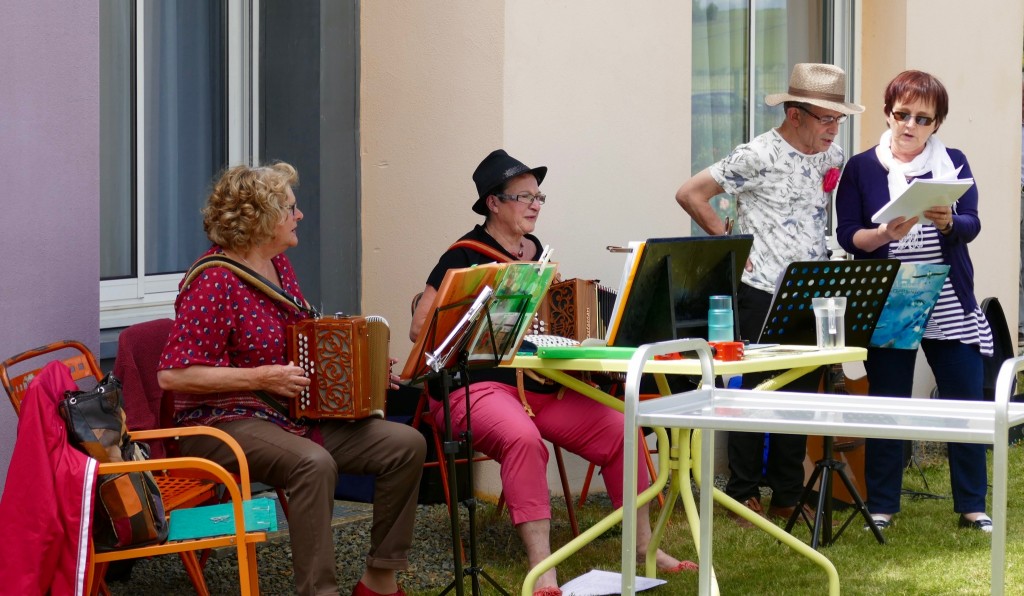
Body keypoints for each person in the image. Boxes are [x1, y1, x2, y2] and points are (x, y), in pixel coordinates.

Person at [409, 150, 694, 596]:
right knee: (522, 437)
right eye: (523, 196)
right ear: (493, 203)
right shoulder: (463, 254)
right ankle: (543, 567)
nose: (535, 204)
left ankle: (645, 548)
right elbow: (419, 328)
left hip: (538, 386)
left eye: (538, 195)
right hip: (475, 389)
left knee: (622, 427)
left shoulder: (537, 252)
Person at [157, 162, 427, 596]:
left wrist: (362, 372)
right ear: (261, 219)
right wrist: (259, 377)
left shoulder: (278, 265)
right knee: (312, 463)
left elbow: (299, 345)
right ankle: (319, 591)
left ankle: (379, 580)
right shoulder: (213, 281)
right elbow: (173, 376)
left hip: (290, 416)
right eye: (290, 208)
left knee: (405, 444)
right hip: (219, 425)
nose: (299, 215)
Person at [675, 63, 865, 526]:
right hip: (760, 289)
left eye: (838, 119)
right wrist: (732, 244)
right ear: (795, 114)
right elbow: (690, 193)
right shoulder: (756, 153)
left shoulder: (833, 157)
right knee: (756, 390)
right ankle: (742, 493)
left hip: (808, 288)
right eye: (826, 118)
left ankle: (786, 493)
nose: (833, 128)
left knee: (797, 390)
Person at [835, 70, 993, 532]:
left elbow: (973, 223)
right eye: (902, 114)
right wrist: (885, 232)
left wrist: (948, 222)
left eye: (922, 119)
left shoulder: (955, 161)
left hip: (946, 292)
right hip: (892, 294)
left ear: (936, 124)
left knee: (963, 401)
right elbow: (848, 236)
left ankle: (971, 506)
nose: (910, 125)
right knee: (888, 402)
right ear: (888, 113)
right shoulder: (863, 167)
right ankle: (882, 507)